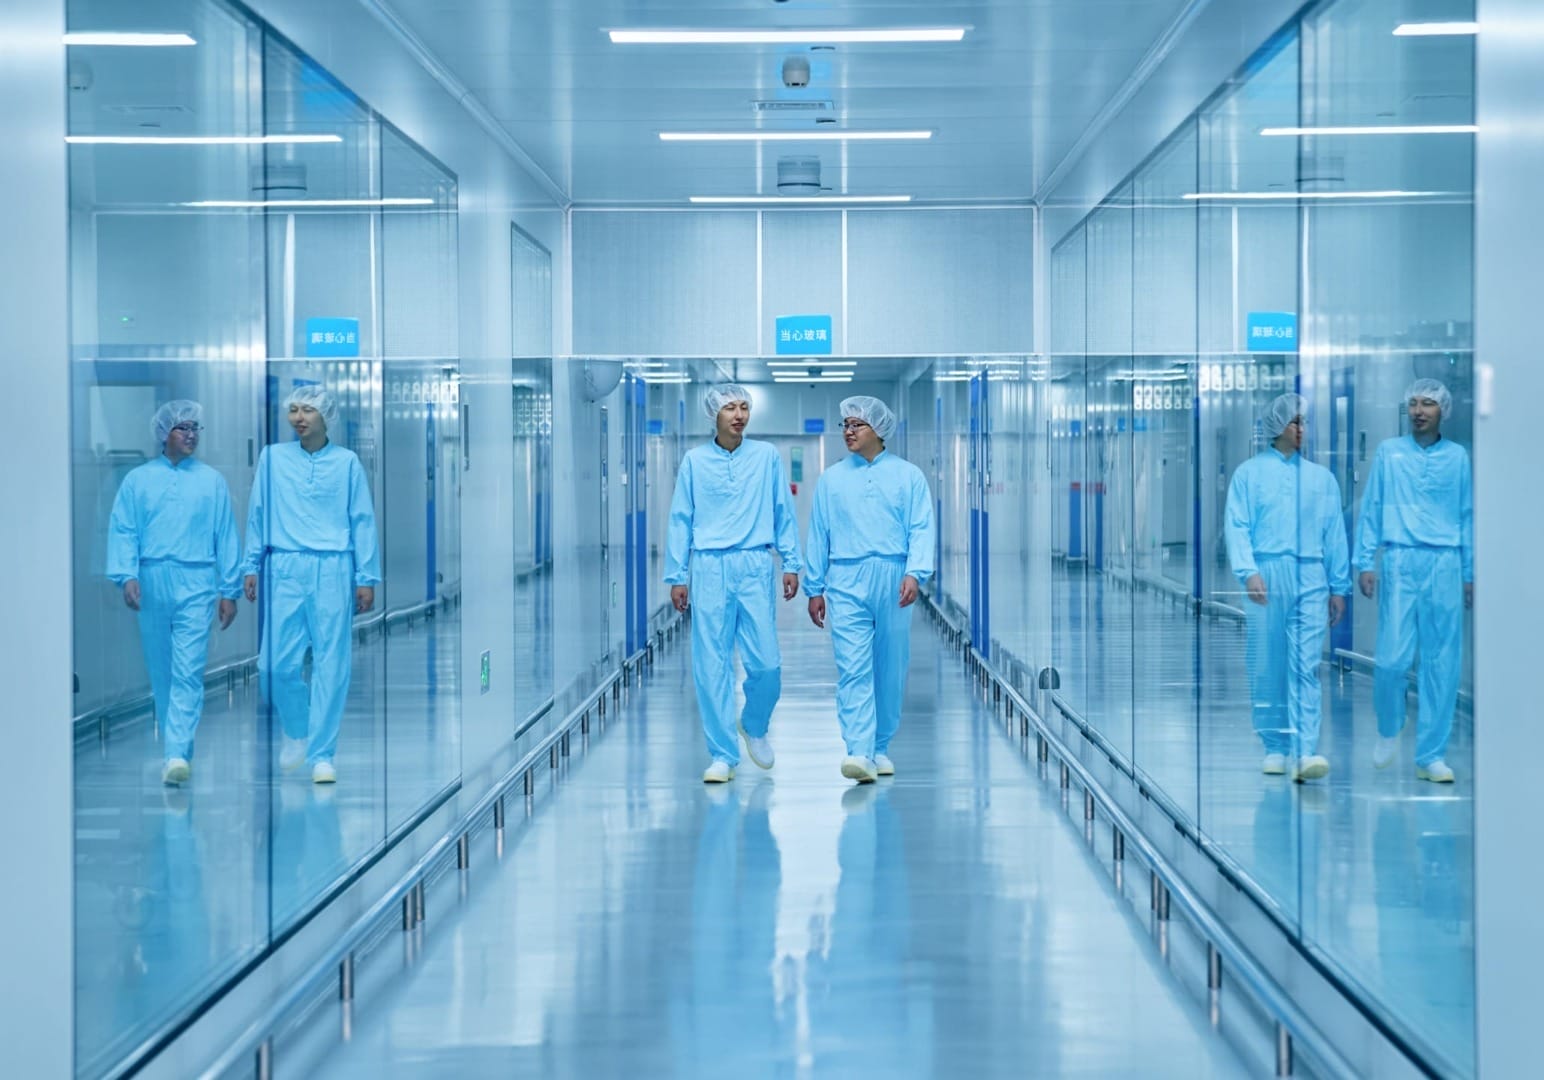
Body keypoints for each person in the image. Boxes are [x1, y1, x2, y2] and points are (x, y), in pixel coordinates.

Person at [665, 384, 802, 783]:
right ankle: (722, 754)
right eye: (730, 408)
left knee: (767, 664)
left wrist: (791, 562)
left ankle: (754, 724)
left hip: (755, 565)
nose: (739, 415)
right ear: (715, 414)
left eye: (744, 407)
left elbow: (782, 509)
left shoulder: (765, 457)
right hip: (709, 566)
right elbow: (681, 518)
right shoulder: (694, 461)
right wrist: (677, 574)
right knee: (711, 665)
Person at [242, 384, 379, 784]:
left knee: (331, 664)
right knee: (272, 666)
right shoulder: (272, 458)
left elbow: (362, 520)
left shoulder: (347, 463)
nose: (299, 418)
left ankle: (322, 754)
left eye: (308, 411)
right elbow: (257, 512)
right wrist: (250, 565)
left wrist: (366, 576)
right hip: (284, 565)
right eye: (294, 410)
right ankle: (298, 729)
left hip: (334, 567)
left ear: (326, 416)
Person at [106, 401, 241, 786]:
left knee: (188, 669)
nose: (191, 434)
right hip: (152, 579)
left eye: (196, 428)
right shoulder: (138, 481)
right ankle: (176, 749)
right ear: (164, 433)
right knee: (161, 669)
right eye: (183, 428)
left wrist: (229, 590)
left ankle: (176, 753)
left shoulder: (212, 482)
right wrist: (127, 575)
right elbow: (124, 530)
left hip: (197, 581)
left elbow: (225, 536)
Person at [805, 396, 936, 784]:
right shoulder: (831, 479)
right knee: (853, 666)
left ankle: (880, 746)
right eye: (845, 425)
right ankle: (859, 750)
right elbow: (819, 535)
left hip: (893, 576)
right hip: (846, 578)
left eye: (856, 425)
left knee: (890, 666)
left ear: (878, 429)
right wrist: (815, 587)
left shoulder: (908, 476)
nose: (848, 431)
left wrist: (915, 572)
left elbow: (921, 527)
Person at [1224, 392, 1351, 782]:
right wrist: (1248, 571)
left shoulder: (1321, 479)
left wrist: (1339, 586)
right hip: (1266, 572)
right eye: (1295, 421)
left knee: (1305, 665)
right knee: (1266, 663)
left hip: (1311, 575)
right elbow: (1237, 526)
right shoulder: (1248, 474)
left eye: (1304, 422)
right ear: (1277, 426)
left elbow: (1334, 533)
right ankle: (1274, 745)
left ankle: (1304, 749)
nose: (1301, 429)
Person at [1354, 378, 1473, 784]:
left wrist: (1470, 572)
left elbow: (1467, 515)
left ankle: (1431, 755)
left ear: (1443, 411)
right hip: (1400, 560)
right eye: (1414, 403)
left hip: (1445, 562)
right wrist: (1365, 561)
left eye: (1428, 404)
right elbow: (1372, 507)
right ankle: (1390, 724)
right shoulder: (1390, 453)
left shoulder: (1458, 458)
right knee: (1390, 659)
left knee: (1441, 662)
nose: (1419, 411)